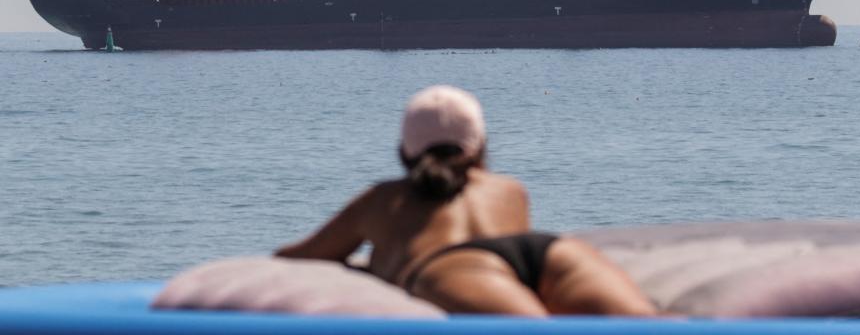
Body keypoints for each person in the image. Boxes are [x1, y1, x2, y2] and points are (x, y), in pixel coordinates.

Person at [276, 85, 658, 317]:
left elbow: (302, 256)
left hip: (450, 268)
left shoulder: (382, 198)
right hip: (548, 253)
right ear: (481, 147)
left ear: (404, 152)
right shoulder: (510, 189)